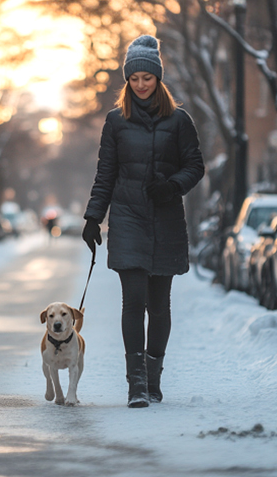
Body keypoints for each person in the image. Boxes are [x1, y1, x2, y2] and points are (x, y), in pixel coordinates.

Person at [81, 35, 205, 408]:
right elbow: (106, 174)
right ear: (127, 81)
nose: (140, 84)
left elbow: (195, 166)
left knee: (159, 304)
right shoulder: (116, 121)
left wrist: (172, 187)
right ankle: (135, 384)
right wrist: (92, 218)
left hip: (165, 220)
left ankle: (154, 379)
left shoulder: (179, 121)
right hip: (128, 218)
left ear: (158, 79)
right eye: (133, 78)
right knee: (133, 301)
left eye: (146, 78)